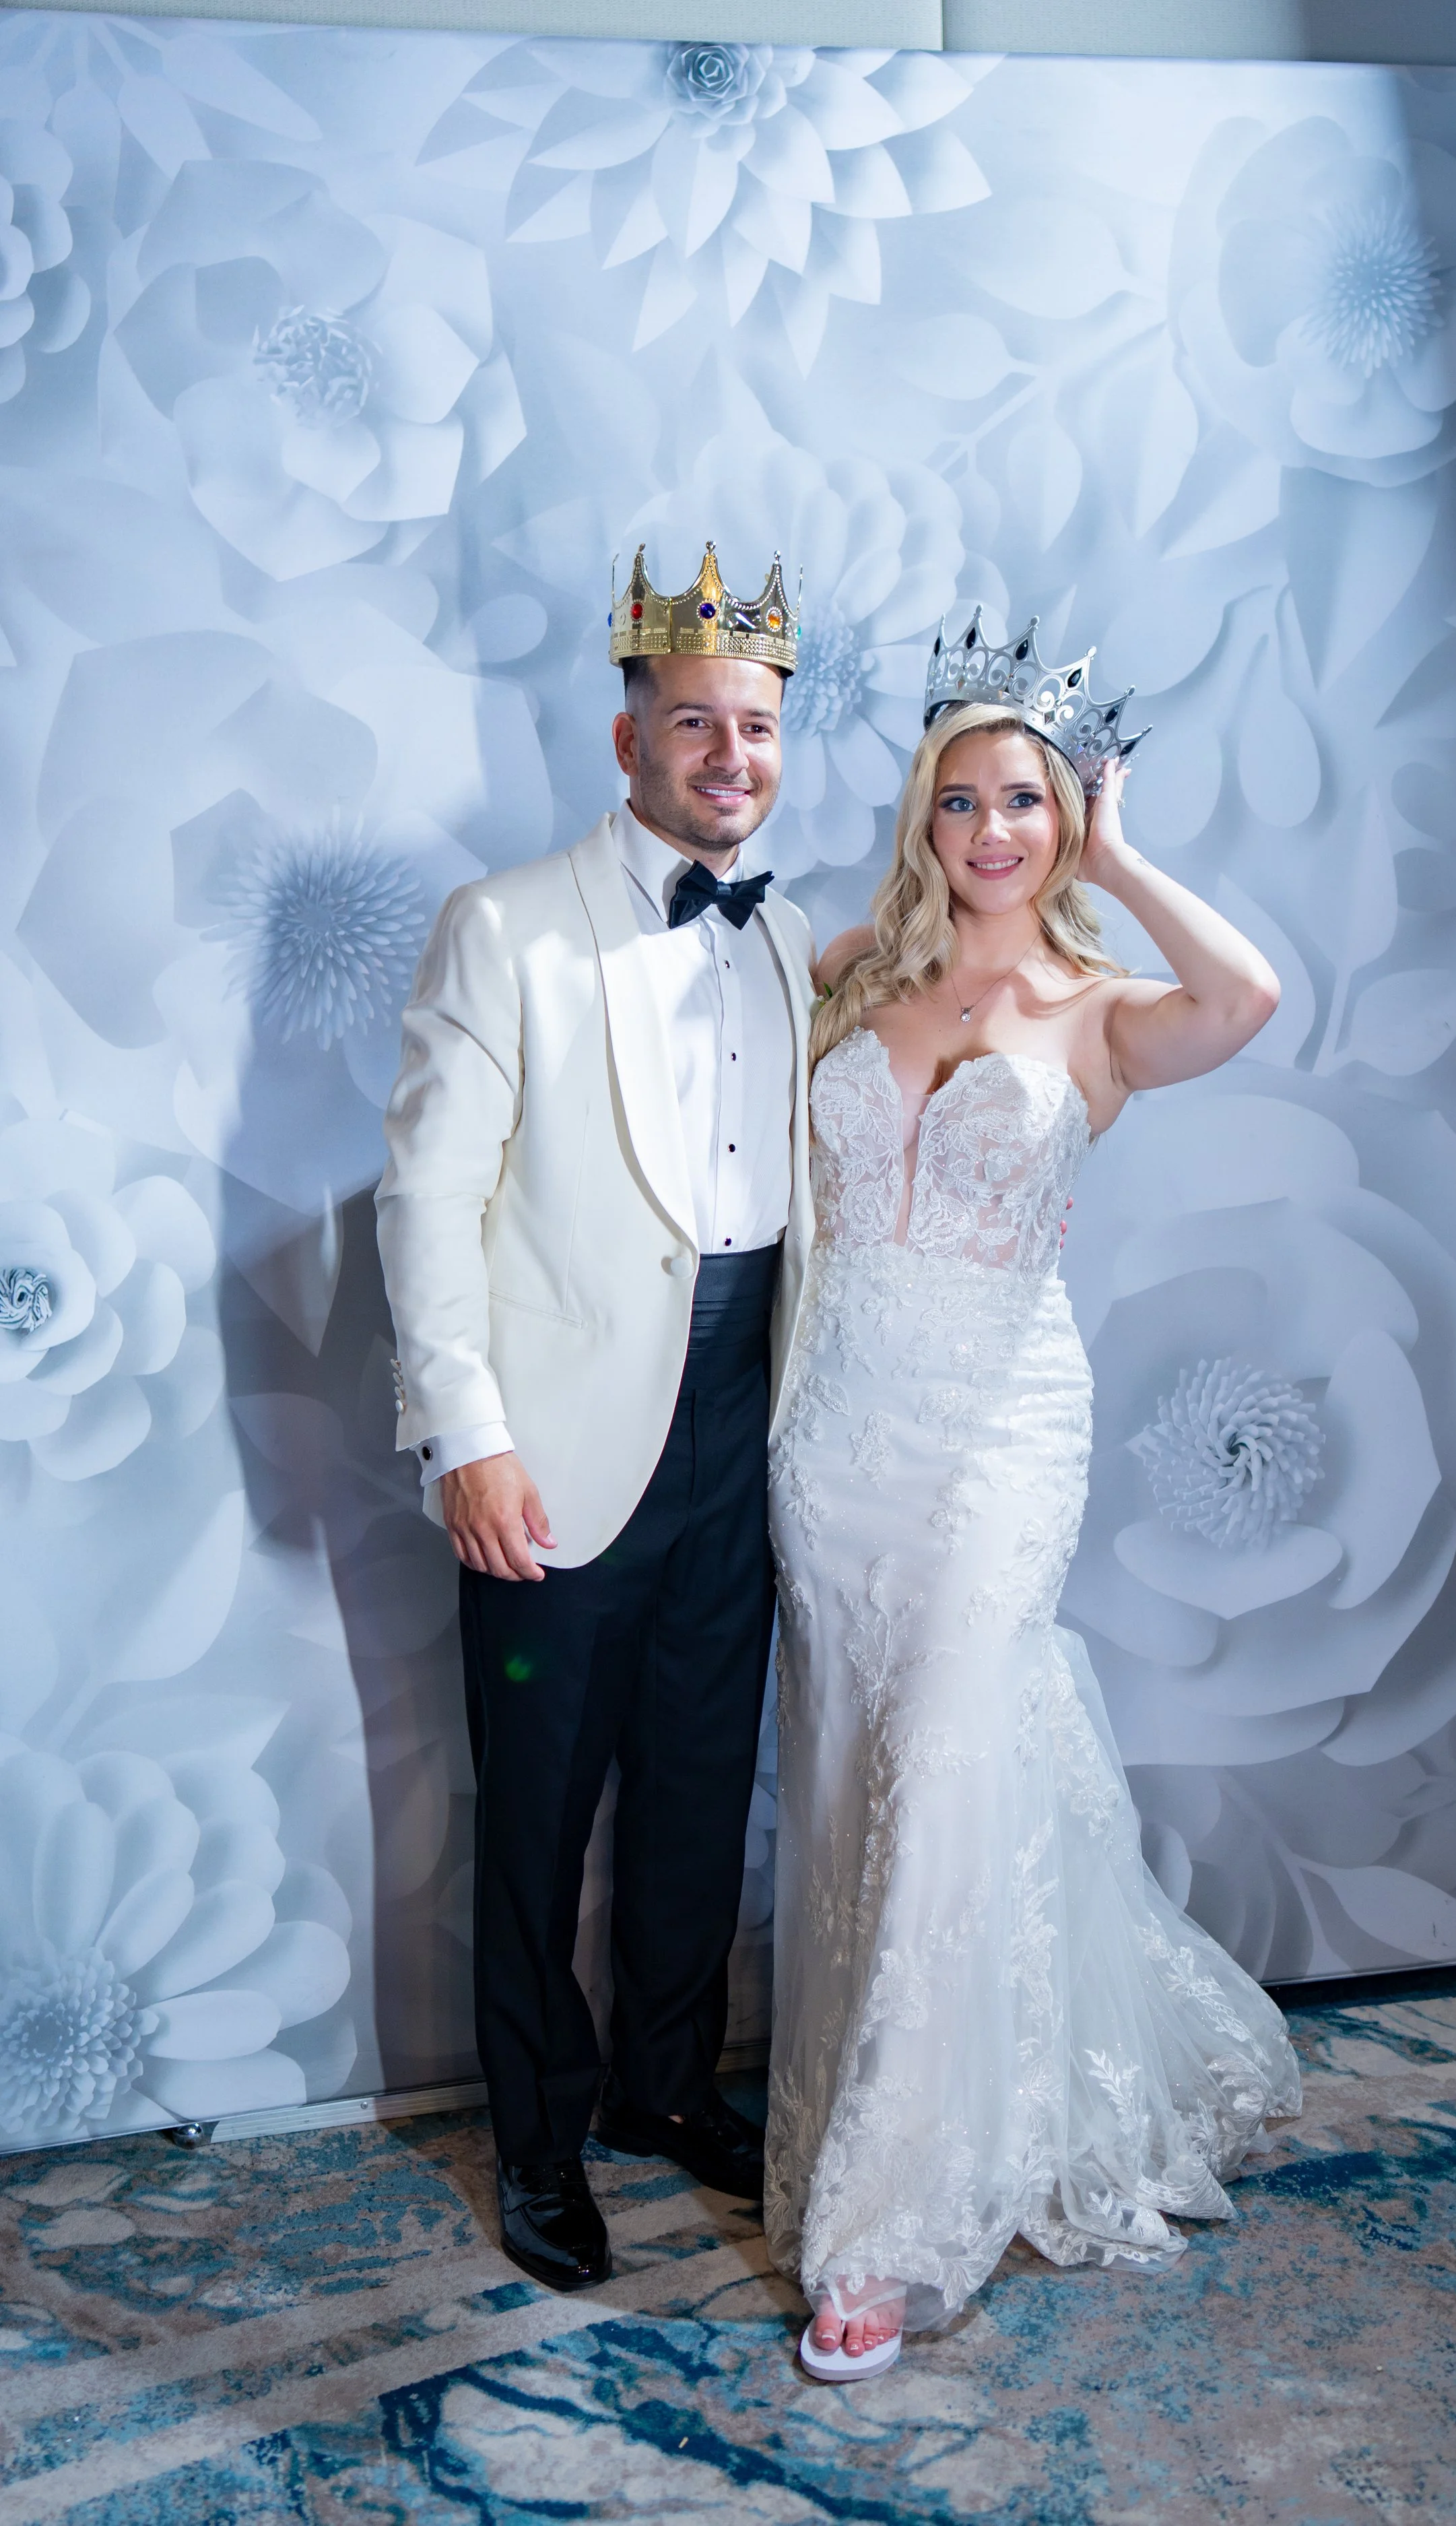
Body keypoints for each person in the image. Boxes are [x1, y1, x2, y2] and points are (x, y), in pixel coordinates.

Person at [766, 618, 1304, 2383]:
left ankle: (888, 2229)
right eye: (964, 801)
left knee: (942, 1768)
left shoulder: (1098, 1009)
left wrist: (1127, 847)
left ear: (1058, 818)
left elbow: (1252, 998)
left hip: (1001, 1426)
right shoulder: (850, 976)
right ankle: (918, 2106)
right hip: (835, 1432)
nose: (991, 830)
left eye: (1025, 801)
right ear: (922, 817)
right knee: (863, 1773)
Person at [377, 544, 814, 2293]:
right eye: (696, 720)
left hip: (736, 1426)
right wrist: (464, 1433)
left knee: (704, 1792)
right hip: (553, 1448)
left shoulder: (785, 931)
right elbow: (427, 1197)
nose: (729, 754)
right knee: (541, 1811)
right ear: (627, 731)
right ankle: (542, 2137)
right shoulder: (507, 924)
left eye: (758, 726)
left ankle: (660, 2083)